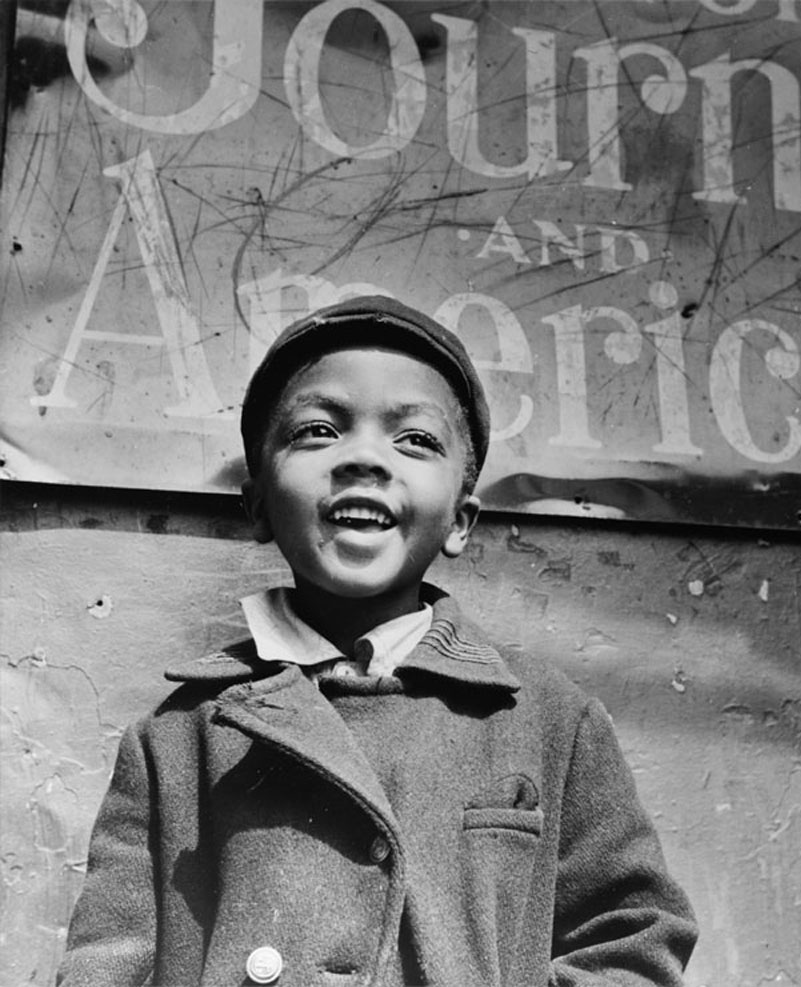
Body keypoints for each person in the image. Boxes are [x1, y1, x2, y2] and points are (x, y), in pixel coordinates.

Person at [57, 296, 698, 986]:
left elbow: (632, 936)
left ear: (461, 519)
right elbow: (105, 966)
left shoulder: (548, 719)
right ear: (258, 506)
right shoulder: (175, 740)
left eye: (415, 439)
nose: (363, 456)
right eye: (317, 430)